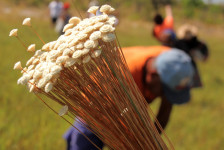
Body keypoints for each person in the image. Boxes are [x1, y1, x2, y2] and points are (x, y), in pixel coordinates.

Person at [64, 46, 195, 150]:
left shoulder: (173, 62)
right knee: (84, 141)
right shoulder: (122, 81)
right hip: (96, 108)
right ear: (153, 76)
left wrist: (152, 142)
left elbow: (166, 105)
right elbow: (120, 137)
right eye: (164, 92)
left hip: (131, 94)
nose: (164, 96)